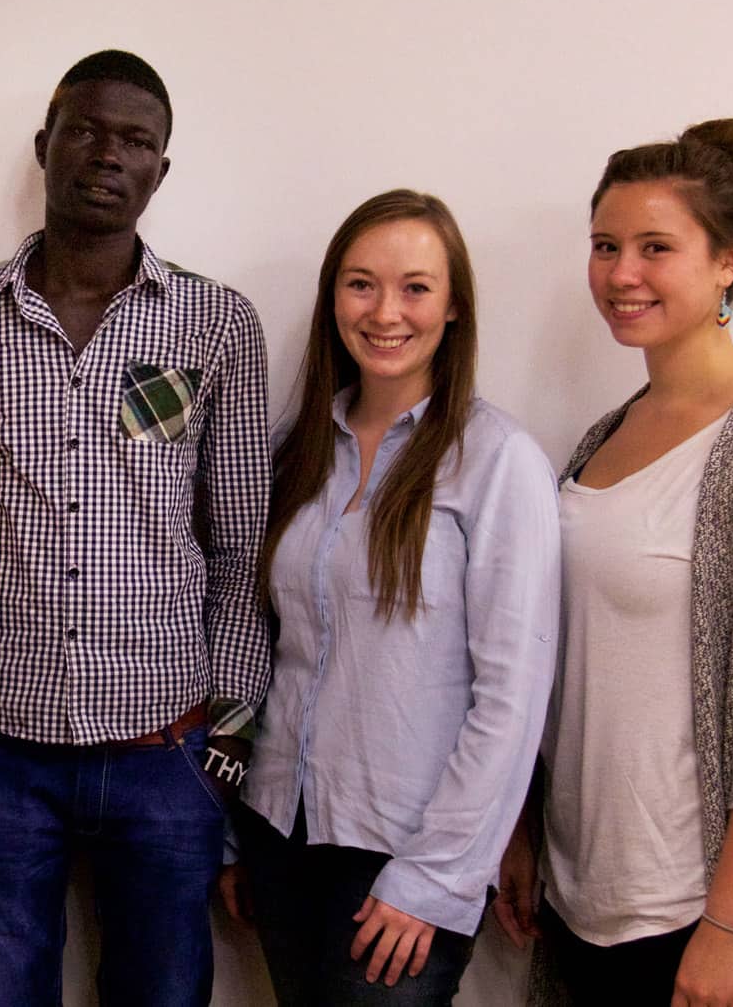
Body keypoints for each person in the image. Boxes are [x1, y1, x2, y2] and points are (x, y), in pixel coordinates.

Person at [0, 49, 272, 1007]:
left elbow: (240, 547)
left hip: (168, 750)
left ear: (161, 170)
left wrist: (229, 732)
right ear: (45, 145)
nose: (108, 155)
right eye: (86, 131)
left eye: (136, 140)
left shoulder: (217, 323)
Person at [493, 119, 733, 1007]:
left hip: (689, 918)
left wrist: (730, 928)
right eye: (605, 246)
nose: (621, 274)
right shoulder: (605, 436)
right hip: (581, 900)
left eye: (655, 248)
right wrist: (525, 831)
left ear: (731, 260)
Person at [218, 190, 560, 1006]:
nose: (384, 312)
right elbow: (268, 652)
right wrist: (238, 836)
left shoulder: (497, 461)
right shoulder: (297, 453)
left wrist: (435, 878)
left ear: (454, 307)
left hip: (406, 858)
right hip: (281, 835)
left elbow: (512, 697)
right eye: (361, 284)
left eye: (415, 288)